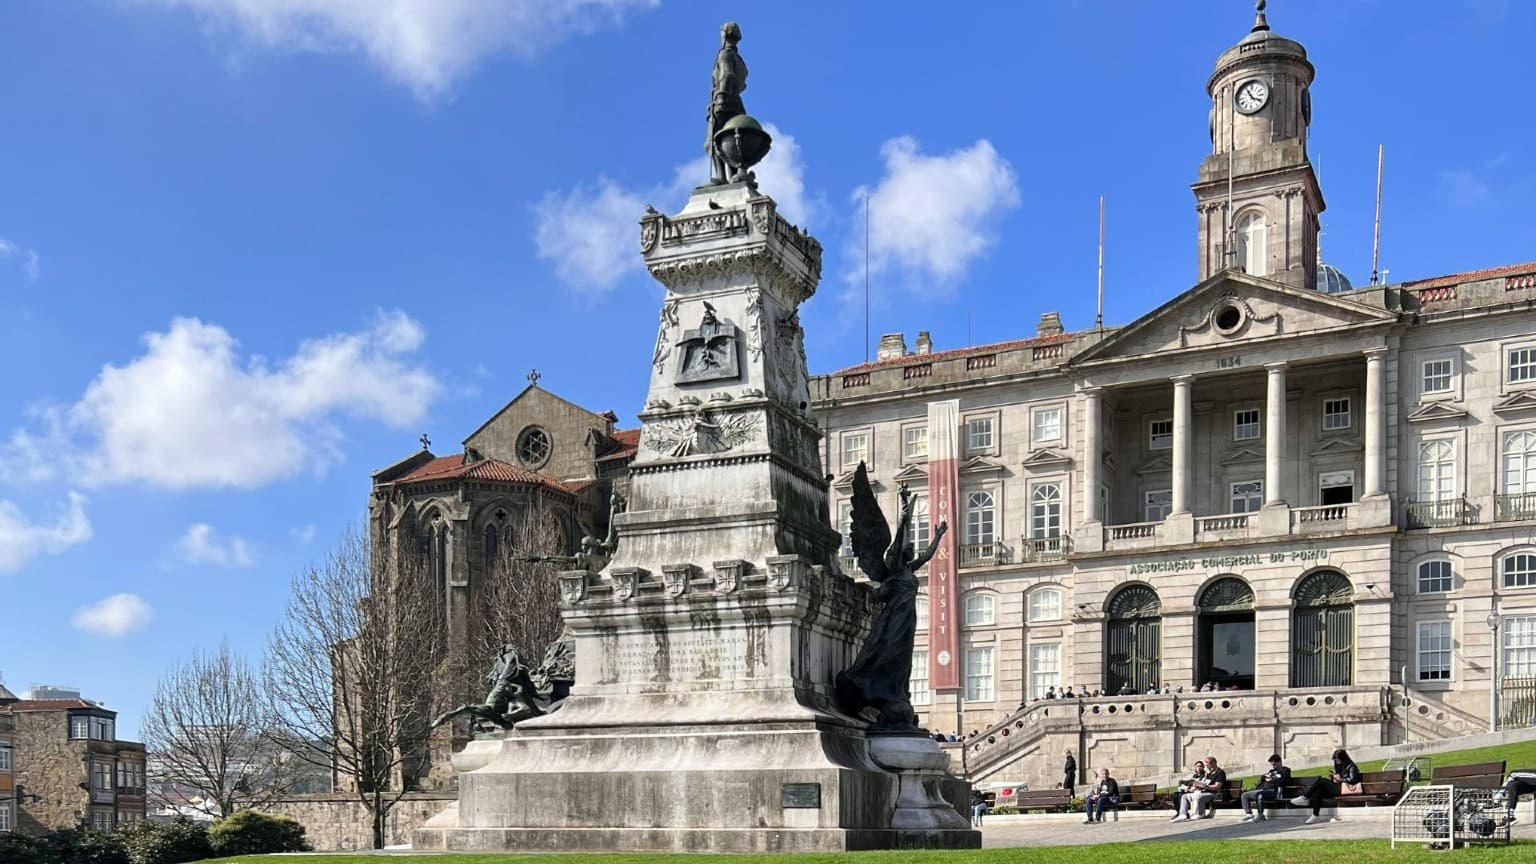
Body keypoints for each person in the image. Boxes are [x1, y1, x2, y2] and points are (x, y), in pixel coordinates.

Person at [1290, 748, 1360, 824]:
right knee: (1318, 791)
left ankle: (1305, 797)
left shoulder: (1351, 766)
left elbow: (1353, 780)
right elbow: (1339, 777)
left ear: (1343, 758)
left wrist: (1340, 779)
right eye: (1335, 759)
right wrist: (1334, 776)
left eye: (1337, 759)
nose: (1336, 761)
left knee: (1322, 780)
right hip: (1337, 787)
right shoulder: (1339, 765)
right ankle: (1315, 816)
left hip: (1343, 789)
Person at [1171, 755, 1226, 821]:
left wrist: (1204, 786)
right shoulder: (1209, 773)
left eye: (1209, 763)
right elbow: (1205, 784)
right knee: (1184, 796)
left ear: (1214, 763)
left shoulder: (1220, 773)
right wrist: (1196, 787)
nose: (1207, 765)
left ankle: (1198, 814)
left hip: (1214, 794)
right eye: (1206, 763)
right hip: (1204, 791)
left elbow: (1217, 787)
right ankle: (1183, 814)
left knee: (1198, 796)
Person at [1241, 754, 1292, 822]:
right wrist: (1263, 777)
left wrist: (1272, 779)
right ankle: (1249, 814)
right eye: (1272, 765)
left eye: (1274, 764)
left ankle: (1260, 815)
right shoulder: (1271, 771)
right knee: (1244, 795)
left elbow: (1283, 781)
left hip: (1274, 791)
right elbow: (1263, 780)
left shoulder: (1285, 770)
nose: (1273, 766)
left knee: (1259, 795)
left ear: (1279, 762)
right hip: (1263, 790)